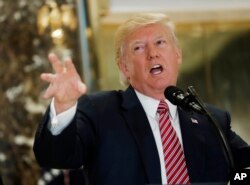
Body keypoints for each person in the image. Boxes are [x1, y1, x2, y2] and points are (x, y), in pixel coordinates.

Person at [33, 13, 250, 185]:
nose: (152, 53)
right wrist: (64, 107)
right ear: (124, 66)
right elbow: (56, 157)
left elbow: (245, 172)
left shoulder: (211, 120)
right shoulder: (101, 111)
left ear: (178, 55)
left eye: (160, 42)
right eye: (138, 47)